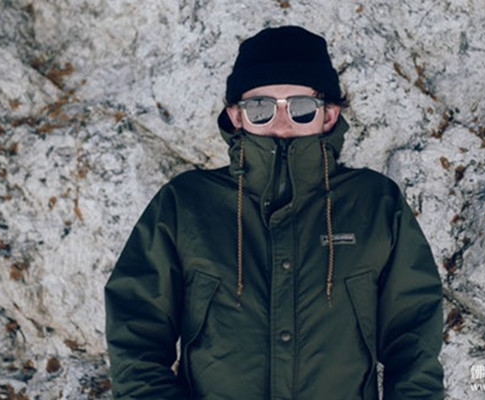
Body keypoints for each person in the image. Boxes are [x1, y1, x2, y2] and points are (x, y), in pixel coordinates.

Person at [105, 25, 444, 399]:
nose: (281, 124)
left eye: (301, 108)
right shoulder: (185, 204)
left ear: (329, 115)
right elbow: (135, 335)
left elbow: (415, 343)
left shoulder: (375, 203)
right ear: (237, 116)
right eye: (260, 108)